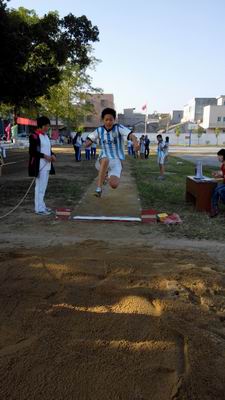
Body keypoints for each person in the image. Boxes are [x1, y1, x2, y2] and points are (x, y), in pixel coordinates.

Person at [85, 107, 139, 197]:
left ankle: (107, 175)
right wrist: (88, 143)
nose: (108, 122)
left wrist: (135, 143)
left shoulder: (118, 128)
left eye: (111, 120)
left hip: (116, 161)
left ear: (114, 120)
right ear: (103, 120)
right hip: (102, 159)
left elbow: (131, 135)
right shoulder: (99, 130)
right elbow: (89, 139)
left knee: (114, 185)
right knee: (106, 160)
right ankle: (99, 189)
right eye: (106, 120)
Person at [28, 116, 56, 215]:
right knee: (39, 187)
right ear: (41, 125)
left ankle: (42, 206)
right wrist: (44, 156)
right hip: (39, 166)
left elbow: (49, 149)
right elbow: (32, 152)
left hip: (47, 165)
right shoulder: (34, 136)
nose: (48, 127)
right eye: (47, 125)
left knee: (43, 187)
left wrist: (52, 155)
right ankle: (38, 208)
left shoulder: (45, 136)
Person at [210, 148, 225, 217]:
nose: (218, 157)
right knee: (216, 189)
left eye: (219, 156)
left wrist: (217, 180)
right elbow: (223, 175)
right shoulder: (223, 165)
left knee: (219, 190)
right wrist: (217, 175)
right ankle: (214, 208)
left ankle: (214, 208)